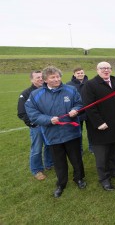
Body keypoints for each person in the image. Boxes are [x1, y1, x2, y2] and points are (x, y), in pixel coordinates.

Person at [25, 66, 85, 198]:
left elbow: (80, 104)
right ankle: (61, 183)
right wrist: (48, 119)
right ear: (45, 79)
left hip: (71, 132)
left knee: (76, 159)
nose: (56, 79)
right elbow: (32, 113)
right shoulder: (36, 95)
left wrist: (76, 109)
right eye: (53, 77)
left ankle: (79, 178)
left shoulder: (71, 90)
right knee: (59, 161)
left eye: (58, 76)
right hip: (52, 135)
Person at [82, 61, 115, 192]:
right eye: (103, 68)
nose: (106, 70)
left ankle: (114, 171)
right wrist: (99, 122)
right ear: (97, 70)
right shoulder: (90, 85)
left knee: (114, 151)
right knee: (102, 156)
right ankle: (104, 179)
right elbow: (89, 107)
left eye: (108, 68)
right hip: (100, 128)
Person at [17, 70, 53, 180]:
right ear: (32, 79)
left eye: (42, 77)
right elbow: (22, 113)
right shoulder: (26, 93)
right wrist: (33, 123)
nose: (41, 79)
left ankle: (49, 164)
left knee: (49, 145)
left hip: (49, 124)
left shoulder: (49, 90)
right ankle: (37, 170)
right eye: (37, 77)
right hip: (37, 126)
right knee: (37, 148)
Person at [66, 67, 91, 154]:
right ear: (74, 74)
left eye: (81, 73)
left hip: (89, 112)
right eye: (78, 73)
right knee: (78, 132)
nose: (80, 74)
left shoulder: (89, 83)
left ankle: (91, 147)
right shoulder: (69, 85)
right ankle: (79, 149)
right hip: (77, 112)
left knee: (91, 131)